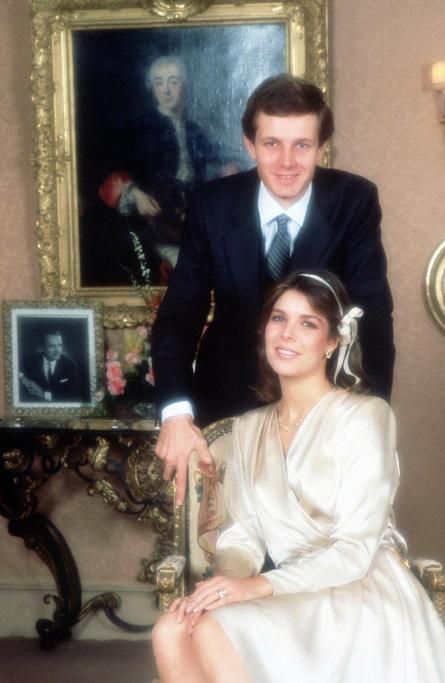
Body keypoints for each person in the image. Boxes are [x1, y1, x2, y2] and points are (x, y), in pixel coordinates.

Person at [152, 270, 445, 683]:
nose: (287, 334)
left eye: (308, 323)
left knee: (212, 632)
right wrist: (224, 587)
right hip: (290, 589)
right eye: (279, 318)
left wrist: (257, 587)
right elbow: (243, 536)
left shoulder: (367, 416)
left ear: (333, 341)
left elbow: (355, 551)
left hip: (359, 589)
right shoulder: (248, 428)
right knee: (171, 629)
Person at [151, 73, 395, 504]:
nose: (286, 162)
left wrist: (370, 419)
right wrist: (175, 412)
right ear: (249, 145)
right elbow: (180, 313)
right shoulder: (211, 205)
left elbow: (371, 317)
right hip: (224, 402)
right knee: (228, 533)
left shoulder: (354, 201)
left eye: (302, 145)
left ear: (321, 148)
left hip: (323, 407)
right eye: (271, 144)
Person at [97, 55, 223, 285]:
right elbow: (112, 171)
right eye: (159, 82)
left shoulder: (195, 130)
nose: (166, 90)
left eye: (173, 81)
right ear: (152, 88)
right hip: (153, 224)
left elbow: (213, 169)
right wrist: (135, 193)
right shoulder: (138, 128)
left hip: (190, 221)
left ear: (184, 86)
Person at [19, 329, 79, 402]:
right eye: (52, 346)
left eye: (60, 345)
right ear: (42, 347)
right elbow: (15, 370)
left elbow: (72, 395)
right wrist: (23, 379)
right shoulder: (30, 360)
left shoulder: (70, 365)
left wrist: (44, 394)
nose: (57, 350)